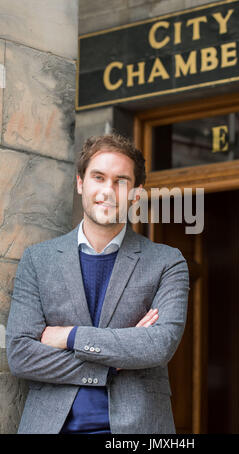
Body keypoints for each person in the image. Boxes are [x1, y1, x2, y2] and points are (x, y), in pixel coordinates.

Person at [6, 133, 190, 434]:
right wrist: (115, 361)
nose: (108, 190)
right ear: (81, 183)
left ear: (136, 193)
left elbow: (158, 346)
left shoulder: (167, 262)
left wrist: (70, 336)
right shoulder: (38, 260)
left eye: (121, 180)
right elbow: (21, 355)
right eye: (98, 177)